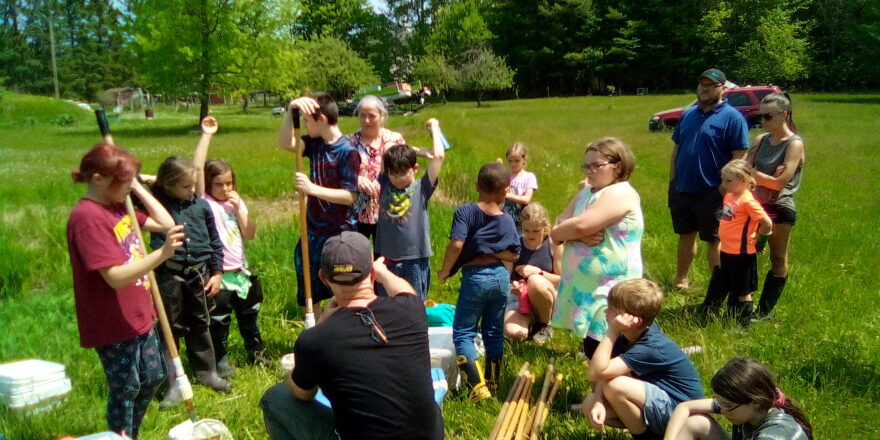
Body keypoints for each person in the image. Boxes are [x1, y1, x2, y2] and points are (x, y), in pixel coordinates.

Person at [259, 231, 444, 440]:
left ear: (323, 278)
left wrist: (321, 323)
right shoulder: (411, 309)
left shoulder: (315, 340)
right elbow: (406, 291)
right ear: (372, 274)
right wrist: (382, 270)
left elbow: (302, 393)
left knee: (276, 397)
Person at [67, 143, 183, 437]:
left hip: (139, 313)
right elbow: (115, 277)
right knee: (126, 388)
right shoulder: (87, 218)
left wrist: (136, 187)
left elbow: (165, 223)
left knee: (153, 377)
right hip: (112, 321)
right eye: (122, 182)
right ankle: (119, 434)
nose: (127, 188)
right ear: (98, 179)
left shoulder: (119, 205)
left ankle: (131, 432)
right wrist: (162, 254)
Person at [550, 137, 643, 360]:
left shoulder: (620, 192)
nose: (589, 171)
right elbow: (555, 230)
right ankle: (599, 388)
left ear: (617, 166)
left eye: (596, 165)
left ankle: (607, 389)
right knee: (593, 342)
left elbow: (582, 225)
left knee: (610, 342)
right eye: (587, 166)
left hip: (612, 286)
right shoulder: (586, 193)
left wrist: (574, 231)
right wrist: (577, 235)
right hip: (589, 288)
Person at [151, 153, 231, 408]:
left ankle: (206, 372)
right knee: (170, 328)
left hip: (200, 275)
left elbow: (216, 242)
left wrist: (217, 273)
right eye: (186, 186)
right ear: (167, 185)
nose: (192, 190)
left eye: (194, 184)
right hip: (169, 276)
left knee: (201, 322)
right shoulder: (157, 205)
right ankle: (174, 381)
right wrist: (147, 180)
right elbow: (132, 190)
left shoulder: (202, 206)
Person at [192, 116, 270, 377]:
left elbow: (249, 234)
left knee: (249, 315)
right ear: (208, 184)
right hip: (218, 273)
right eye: (219, 184)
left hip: (240, 270)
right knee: (219, 319)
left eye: (229, 183)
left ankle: (256, 352)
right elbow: (195, 170)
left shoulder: (235, 202)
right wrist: (206, 136)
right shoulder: (205, 202)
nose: (225, 188)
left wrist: (240, 210)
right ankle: (221, 360)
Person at [579, 279, 704, 440]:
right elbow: (602, 375)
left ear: (632, 320)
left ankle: (645, 437)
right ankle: (649, 432)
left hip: (684, 413)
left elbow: (595, 372)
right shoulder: (627, 334)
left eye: (612, 309)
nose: (606, 312)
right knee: (589, 404)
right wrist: (598, 401)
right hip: (662, 406)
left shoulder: (649, 346)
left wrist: (611, 331)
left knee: (616, 386)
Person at [437, 162, 521, 401]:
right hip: (501, 278)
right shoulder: (507, 220)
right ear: (506, 190)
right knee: (493, 331)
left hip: (476, 279)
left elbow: (456, 244)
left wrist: (445, 271)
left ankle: (476, 387)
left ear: (477, 186)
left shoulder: (465, 212)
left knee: (463, 332)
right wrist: (494, 252)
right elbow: (514, 254)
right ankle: (492, 382)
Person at [278, 93, 361, 312]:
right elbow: (285, 142)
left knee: (341, 288)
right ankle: (315, 329)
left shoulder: (348, 151)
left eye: (307, 120)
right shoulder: (315, 144)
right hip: (313, 232)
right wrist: (290, 110)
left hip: (339, 234)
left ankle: (342, 330)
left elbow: (350, 196)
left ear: (321, 119)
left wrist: (311, 189)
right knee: (309, 288)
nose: (305, 125)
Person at [669, 68, 749, 290]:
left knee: (714, 240)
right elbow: (677, 149)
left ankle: (718, 287)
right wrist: (672, 182)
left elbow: (739, 156)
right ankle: (681, 280)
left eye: (710, 85)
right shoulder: (688, 114)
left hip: (713, 191)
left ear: (723, 88)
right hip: (682, 188)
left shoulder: (733, 118)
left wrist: (728, 191)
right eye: (701, 84)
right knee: (685, 235)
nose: (704, 89)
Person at [685, 160, 772, 328]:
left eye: (729, 181)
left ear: (743, 180)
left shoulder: (748, 202)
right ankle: (719, 311)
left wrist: (761, 242)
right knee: (728, 282)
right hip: (726, 250)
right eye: (723, 180)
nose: (724, 185)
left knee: (743, 289)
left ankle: (742, 324)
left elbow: (767, 223)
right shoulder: (730, 196)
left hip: (742, 253)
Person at [746, 93, 805, 321]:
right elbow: (742, 170)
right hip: (754, 206)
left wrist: (755, 176)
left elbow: (780, 184)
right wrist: (763, 177)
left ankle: (764, 311)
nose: (763, 120)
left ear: (785, 115)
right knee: (745, 253)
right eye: (761, 116)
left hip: (780, 207)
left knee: (777, 259)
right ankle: (743, 304)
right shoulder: (761, 140)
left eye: (768, 116)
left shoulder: (795, 144)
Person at [374, 118, 446, 300]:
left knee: (414, 304)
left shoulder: (422, 187)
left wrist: (435, 129)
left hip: (415, 260)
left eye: (403, 173)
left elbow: (438, 157)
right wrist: (412, 150)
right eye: (393, 173)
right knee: (386, 306)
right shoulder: (384, 183)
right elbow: (387, 147)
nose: (397, 178)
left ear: (414, 168)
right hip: (387, 260)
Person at [663, 358, 813, 440]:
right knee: (696, 423)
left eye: (727, 406)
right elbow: (685, 407)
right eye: (720, 403)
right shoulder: (748, 408)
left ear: (755, 402)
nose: (722, 410)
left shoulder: (775, 434)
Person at [503, 202, 562, 344]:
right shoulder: (514, 245)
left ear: (545, 227)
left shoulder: (553, 244)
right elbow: (505, 277)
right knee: (515, 334)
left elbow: (563, 279)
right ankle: (530, 323)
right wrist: (512, 287)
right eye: (526, 230)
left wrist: (538, 272)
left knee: (535, 281)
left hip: (546, 295)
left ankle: (544, 325)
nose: (530, 235)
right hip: (519, 298)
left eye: (535, 231)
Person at [349, 95, 406, 242]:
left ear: (382, 116)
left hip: (388, 211)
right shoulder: (350, 142)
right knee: (356, 256)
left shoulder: (395, 139)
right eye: (362, 116)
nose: (366, 121)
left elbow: (405, 169)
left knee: (385, 259)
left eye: (371, 116)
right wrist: (356, 178)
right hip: (356, 212)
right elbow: (338, 172)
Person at [502, 142, 538, 233]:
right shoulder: (505, 175)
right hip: (504, 219)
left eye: (517, 161)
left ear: (524, 159)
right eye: (510, 161)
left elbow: (526, 199)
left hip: (520, 222)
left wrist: (507, 195)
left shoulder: (529, 177)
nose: (513, 164)